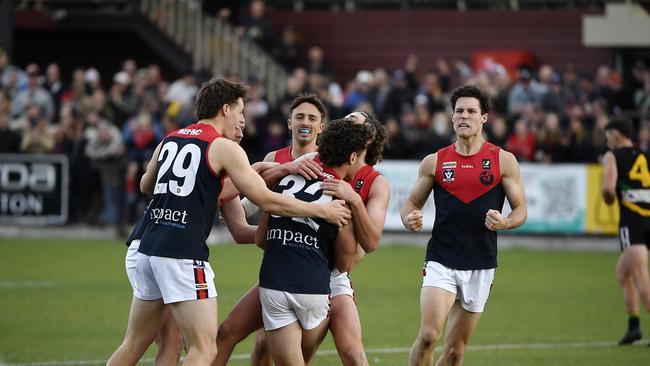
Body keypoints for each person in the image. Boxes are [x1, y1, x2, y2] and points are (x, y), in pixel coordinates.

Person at [106, 78, 351, 366]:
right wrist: (322, 212)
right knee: (204, 350)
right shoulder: (223, 147)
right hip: (182, 254)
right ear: (225, 109)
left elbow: (147, 184)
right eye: (240, 111)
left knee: (134, 344)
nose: (243, 119)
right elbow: (266, 200)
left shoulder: (169, 139)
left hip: (146, 249)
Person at [401, 85, 527, 366]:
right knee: (429, 336)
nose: (464, 116)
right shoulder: (435, 161)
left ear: (484, 117)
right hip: (441, 260)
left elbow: (521, 210)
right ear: (452, 115)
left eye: (471, 111)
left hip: (481, 263)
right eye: (459, 111)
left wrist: (505, 222)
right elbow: (410, 203)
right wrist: (409, 218)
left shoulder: (503, 160)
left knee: (456, 351)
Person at [214, 92, 327, 366]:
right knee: (228, 332)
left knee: (296, 350)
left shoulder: (328, 162)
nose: (305, 122)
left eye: (312, 118)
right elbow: (253, 202)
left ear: (321, 127)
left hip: (320, 275)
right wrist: (228, 203)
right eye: (299, 116)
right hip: (278, 270)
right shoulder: (274, 157)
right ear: (289, 123)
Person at [256, 118, 372, 366]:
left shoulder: (286, 177)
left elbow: (260, 239)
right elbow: (344, 262)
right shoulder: (340, 197)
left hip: (273, 283)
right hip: (313, 289)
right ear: (352, 158)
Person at [316, 111, 391, 366]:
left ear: (367, 138)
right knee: (255, 342)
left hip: (335, 274)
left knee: (353, 355)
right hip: (300, 264)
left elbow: (369, 244)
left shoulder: (376, 183)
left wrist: (354, 199)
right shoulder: (316, 160)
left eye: (352, 122)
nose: (344, 123)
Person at [602, 118, 650, 346]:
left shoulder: (612, 156)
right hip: (648, 217)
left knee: (641, 277)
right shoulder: (644, 155)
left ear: (617, 134)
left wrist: (609, 197)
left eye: (608, 135)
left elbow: (609, 189)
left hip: (632, 222)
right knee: (623, 273)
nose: (606, 140)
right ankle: (634, 326)